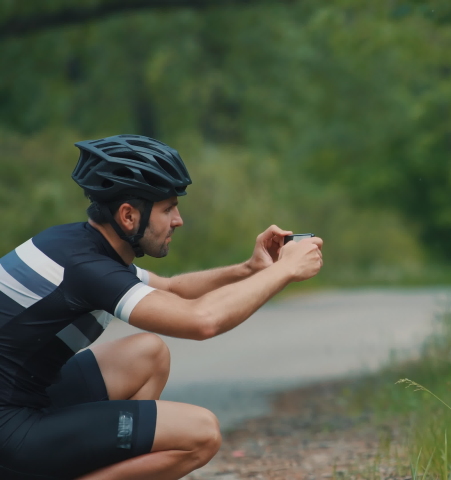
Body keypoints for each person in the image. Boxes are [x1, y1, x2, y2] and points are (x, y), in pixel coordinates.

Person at [0, 135, 324, 479]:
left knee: (148, 354)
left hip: (25, 399)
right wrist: (286, 270)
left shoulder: (82, 246)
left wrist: (250, 269)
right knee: (200, 434)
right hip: (11, 427)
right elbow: (203, 321)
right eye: (168, 208)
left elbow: (171, 289)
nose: (178, 220)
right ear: (128, 216)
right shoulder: (88, 269)